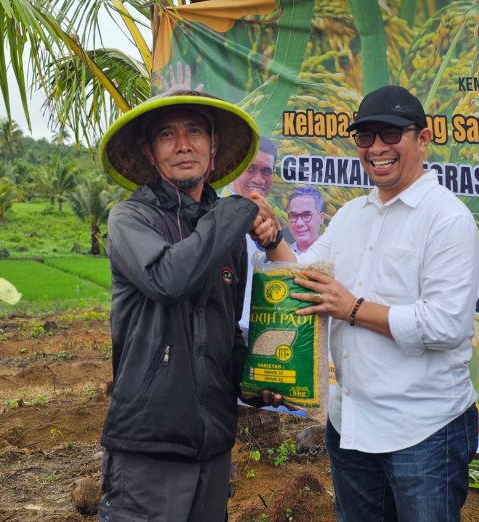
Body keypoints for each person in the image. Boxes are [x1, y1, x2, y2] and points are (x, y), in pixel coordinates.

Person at [251, 85, 479, 521]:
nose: (377, 148)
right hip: (351, 425)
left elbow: (446, 324)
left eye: (391, 134)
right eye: (365, 136)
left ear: (423, 139)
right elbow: (306, 277)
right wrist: (272, 237)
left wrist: (354, 308)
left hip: (424, 431)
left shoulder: (447, 219)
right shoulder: (353, 215)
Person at [97, 89, 281, 521]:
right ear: (150, 151)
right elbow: (167, 278)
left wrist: (253, 380)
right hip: (149, 446)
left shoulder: (225, 233)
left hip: (211, 445)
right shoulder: (132, 219)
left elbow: (224, 327)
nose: (183, 144)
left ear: (213, 148)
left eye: (195, 131)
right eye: (167, 134)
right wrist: (237, 212)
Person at [222, 136, 278, 336]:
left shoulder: (273, 223)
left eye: (266, 171)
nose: (259, 179)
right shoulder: (214, 214)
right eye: (251, 168)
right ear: (234, 168)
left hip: (264, 332)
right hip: (226, 332)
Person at [286, 186, 325, 253]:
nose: (299, 223)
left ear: (321, 218)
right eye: (294, 216)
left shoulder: (333, 255)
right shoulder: (282, 256)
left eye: (306, 215)